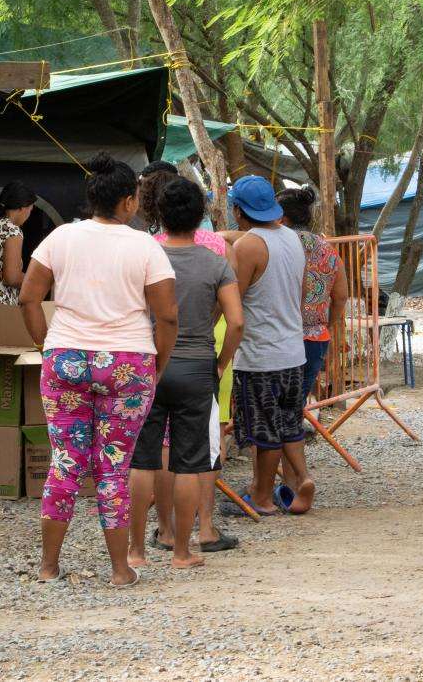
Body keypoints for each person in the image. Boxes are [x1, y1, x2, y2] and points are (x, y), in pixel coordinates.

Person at [18, 153, 178, 587]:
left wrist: (45, 345)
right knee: (113, 467)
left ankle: (49, 567)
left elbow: (28, 298)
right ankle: (120, 570)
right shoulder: (145, 246)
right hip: (128, 362)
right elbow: (167, 317)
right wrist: (156, 364)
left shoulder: (59, 238)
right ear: (128, 202)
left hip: (65, 356)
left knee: (66, 462)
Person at [128, 177, 244, 569]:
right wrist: (220, 361)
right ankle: (182, 552)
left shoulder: (145, 256)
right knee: (189, 462)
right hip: (196, 367)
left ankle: (136, 551)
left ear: (159, 214)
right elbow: (237, 321)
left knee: (143, 460)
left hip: (148, 364)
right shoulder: (216, 263)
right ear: (200, 218)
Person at [227, 175, 308, 516]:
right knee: (289, 422)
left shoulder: (247, 247)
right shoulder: (291, 238)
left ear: (238, 210)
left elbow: (232, 298)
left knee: (264, 430)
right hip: (293, 350)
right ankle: (300, 478)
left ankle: (261, 497)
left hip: (261, 354)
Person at [275, 186, 348, 514]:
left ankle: (285, 484)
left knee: (275, 413)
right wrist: (331, 328)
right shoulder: (327, 248)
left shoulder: (279, 244)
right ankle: (290, 483)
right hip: (316, 337)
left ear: (282, 216)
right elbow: (342, 295)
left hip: (281, 338)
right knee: (293, 410)